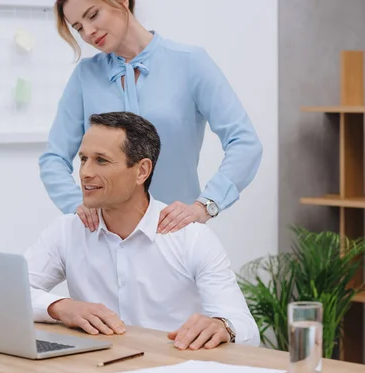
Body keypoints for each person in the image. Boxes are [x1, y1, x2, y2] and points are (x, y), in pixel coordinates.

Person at [27, 112, 259, 350]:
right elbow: (9, 292)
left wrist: (223, 326)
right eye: (83, 159)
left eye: (101, 161)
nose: (85, 172)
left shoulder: (191, 238)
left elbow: (246, 329)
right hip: (92, 371)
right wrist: (62, 307)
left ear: (141, 171)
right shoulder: (67, 231)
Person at [39, 0, 263, 235]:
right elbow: (53, 158)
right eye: (78, 27)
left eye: (93, 15)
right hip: (103, 239)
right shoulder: (85, 76)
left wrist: (206, 205)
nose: (88, 32)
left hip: (174, 237)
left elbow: (245, 143)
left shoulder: (190, 62)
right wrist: (76, 204)